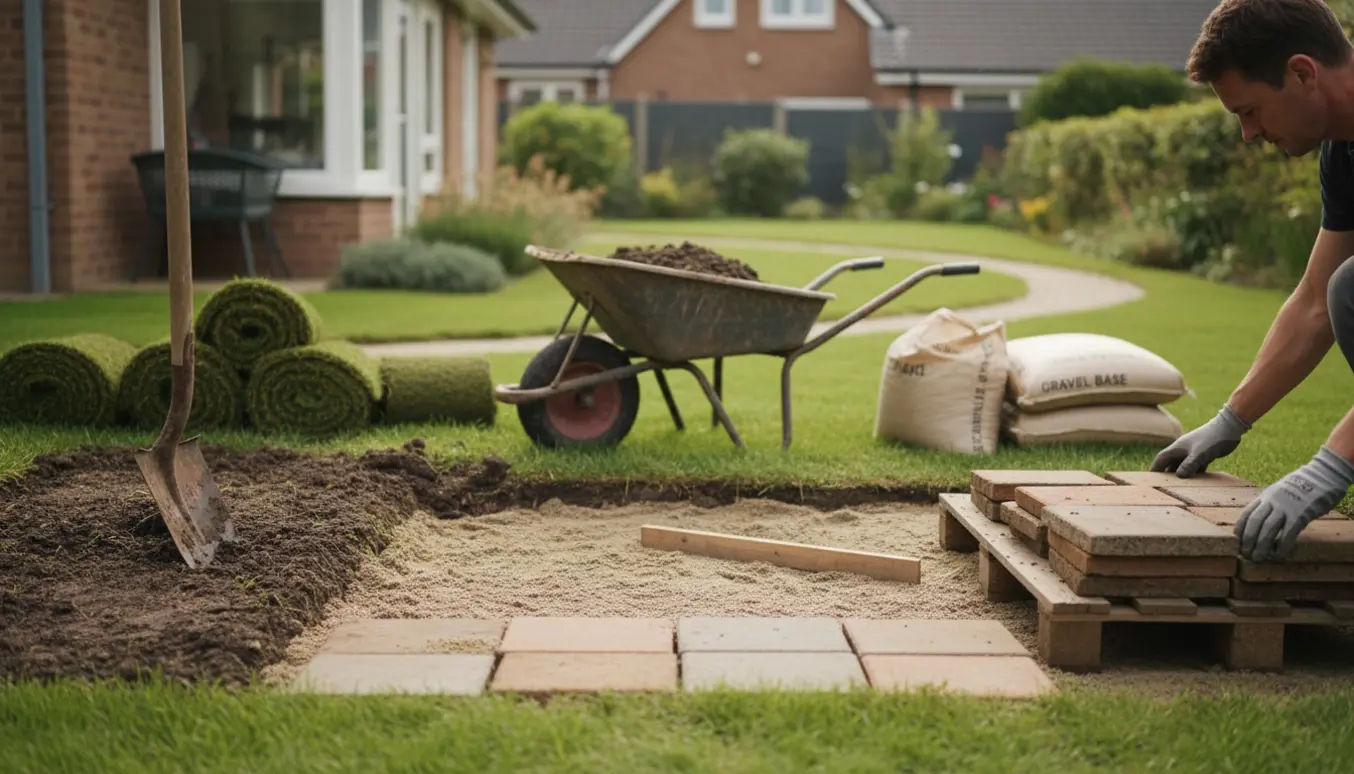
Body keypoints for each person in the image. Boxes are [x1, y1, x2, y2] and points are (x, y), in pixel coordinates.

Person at [1152, 0, 1354, 562]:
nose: (1248, 134)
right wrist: (1231, 418)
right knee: (1341, 288)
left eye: (1251, 111)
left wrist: (1331, 465)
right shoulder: (1344, 153)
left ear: (1302, 73)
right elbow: (1314, 302)